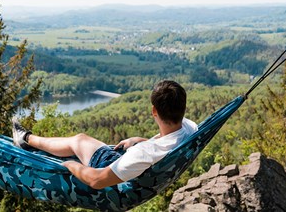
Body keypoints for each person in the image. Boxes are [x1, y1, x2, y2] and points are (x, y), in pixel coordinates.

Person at [12, 80, 197, 189]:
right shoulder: (191, 129)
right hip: (136, 164)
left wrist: (69, 165)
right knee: (81, 140)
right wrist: (139, 141)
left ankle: (26, 139)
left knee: (79, 140)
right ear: (183, 107)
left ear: (154, 111)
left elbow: (96, 181)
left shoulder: (143, 153)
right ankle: (28, 139)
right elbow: (162, 145)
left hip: (110, 172)